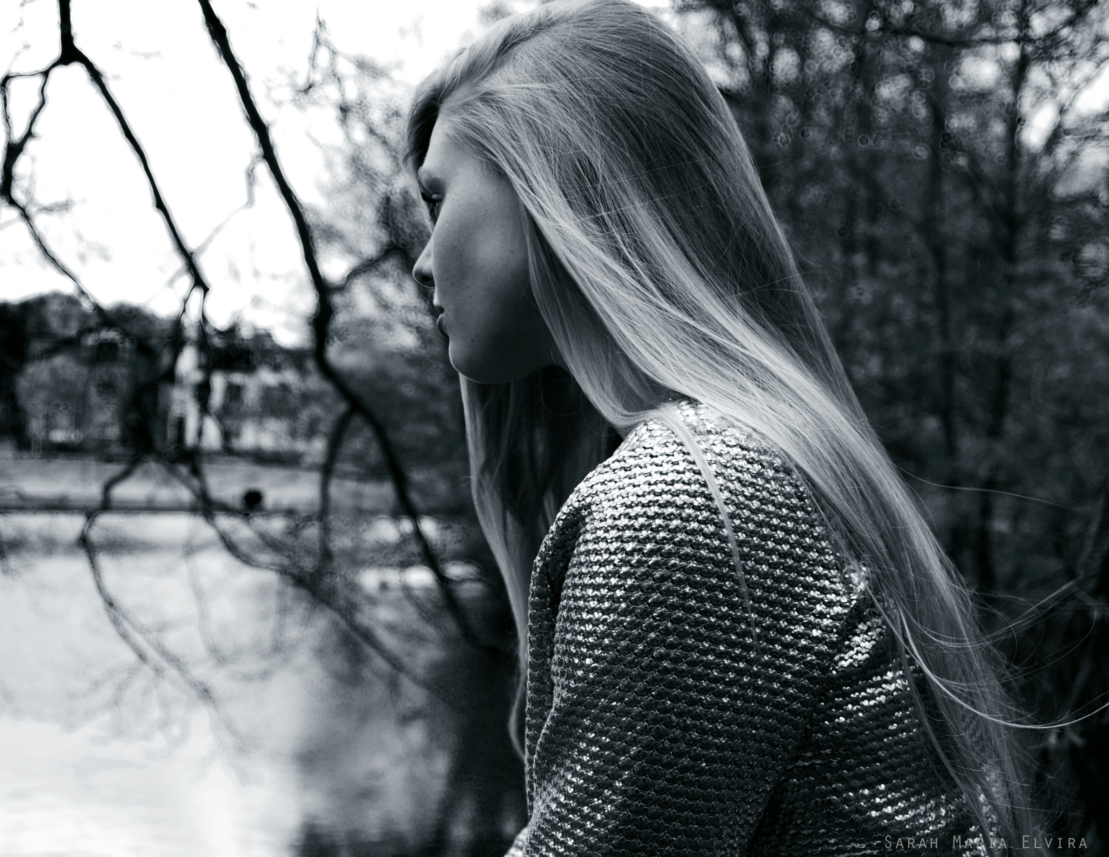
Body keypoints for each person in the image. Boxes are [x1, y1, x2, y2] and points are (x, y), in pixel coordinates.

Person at [406, 1, 1047, 855]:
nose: (422, 264)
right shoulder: (755, 459)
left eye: (438, 198)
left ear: (554, 185)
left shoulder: (682, 502)